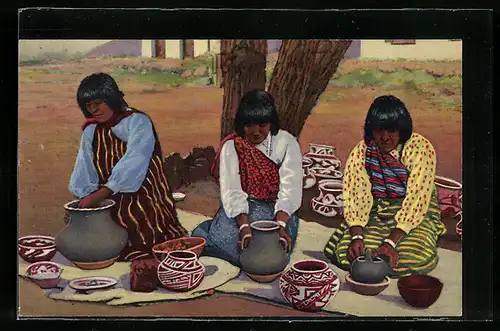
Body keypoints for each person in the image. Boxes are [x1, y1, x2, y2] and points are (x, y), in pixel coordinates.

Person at [68, 72, 188, 261]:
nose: (94, 110)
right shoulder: (91, 131)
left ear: (111, 97)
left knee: (145, 241)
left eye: (98, 103)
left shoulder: (138, 122)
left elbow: (135, 161)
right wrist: (84, 202)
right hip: (108, 202)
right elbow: (85, 168)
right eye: (88, 106)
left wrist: (101, 194)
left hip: (145, 197)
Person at [323, 95, 446, 278]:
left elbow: (417, 200)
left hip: (414, 212)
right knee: (347, 252)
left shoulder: (420, 148)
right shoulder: (363, 151)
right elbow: (357, 196)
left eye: (391, 130)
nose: (385, 137)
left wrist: (390, 243)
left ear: (402, 130)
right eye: (379, 130)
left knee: (413, 256)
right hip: (377, 209)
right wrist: (357, 236)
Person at [191, 89, 303, 266]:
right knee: (234, 245)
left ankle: (207, 232)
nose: (256, 132)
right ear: (241, 125)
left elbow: (290, 189)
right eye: (249, 125)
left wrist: (280, 227)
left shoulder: (287, 142)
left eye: (262, 125)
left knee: (273, 252)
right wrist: (244, 227)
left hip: (278, 211)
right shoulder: (232, 147)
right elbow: (232, 190)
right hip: (244, 209)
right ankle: (211, 233)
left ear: (271, 123)